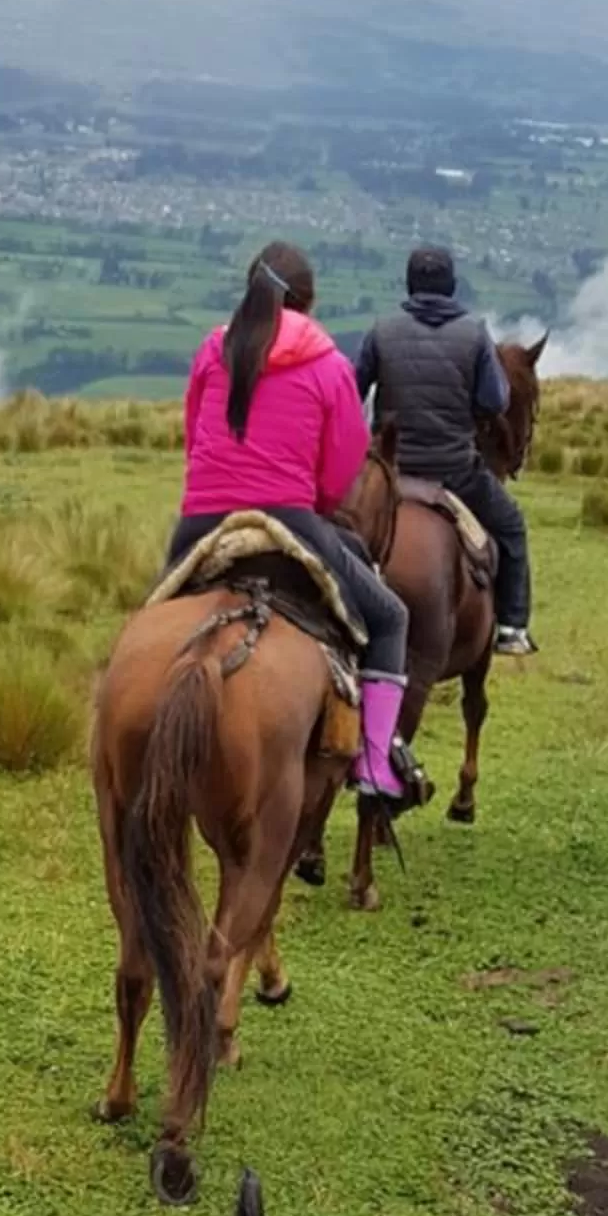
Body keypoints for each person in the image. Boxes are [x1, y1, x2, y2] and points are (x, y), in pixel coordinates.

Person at [166, 241, 413, 801]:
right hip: (290, 518)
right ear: (309, 301)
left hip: (201, 520)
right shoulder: (327, 364)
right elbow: (343, 464)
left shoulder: (213, 348)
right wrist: (316, 502)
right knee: (391, 618)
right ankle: (375, 763)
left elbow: (193, 435)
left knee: (151, 616)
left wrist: (213, 488)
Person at [356, 246, 535, 653]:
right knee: (510, 526)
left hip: (391, 471)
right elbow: (495, 401)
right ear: (452, 287)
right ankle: (511, 628)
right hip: (454, 469)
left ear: (409, 284)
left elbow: (352, 388)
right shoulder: (474, 333)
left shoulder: (382, 329)